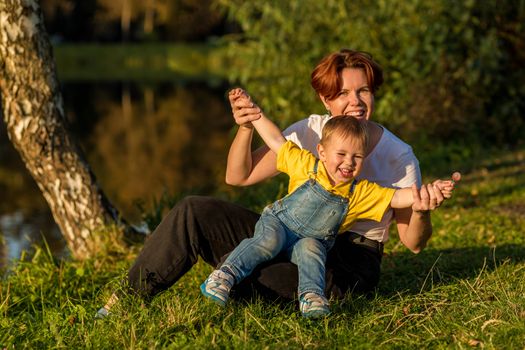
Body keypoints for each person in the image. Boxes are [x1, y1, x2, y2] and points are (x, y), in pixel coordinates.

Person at [96, 49, 460, 318]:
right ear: (325, 98)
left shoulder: (397, 155)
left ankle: (276, 288)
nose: (356, 102)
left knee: (247, 267)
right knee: (195, 210)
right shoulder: (310, 131)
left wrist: (422, 209)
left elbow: (414, 243)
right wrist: (243, 127)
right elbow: (238, 176)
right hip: (288, 234)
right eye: (343, 94)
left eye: (364, 91)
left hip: (347, 261)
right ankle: (125, 300)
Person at [200, 90, 455, 318]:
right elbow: (276, 140)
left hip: (311, 238)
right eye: (341, 155)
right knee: (266, 242)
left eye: (357, 157)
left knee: (313, 253)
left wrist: (429, 191)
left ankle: (311, 297)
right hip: (280, 224)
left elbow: (398, 197)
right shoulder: (305, 164)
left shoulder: (360, 193)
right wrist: (255, 115)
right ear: (322, 152)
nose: (348, 163)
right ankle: (225, 275)